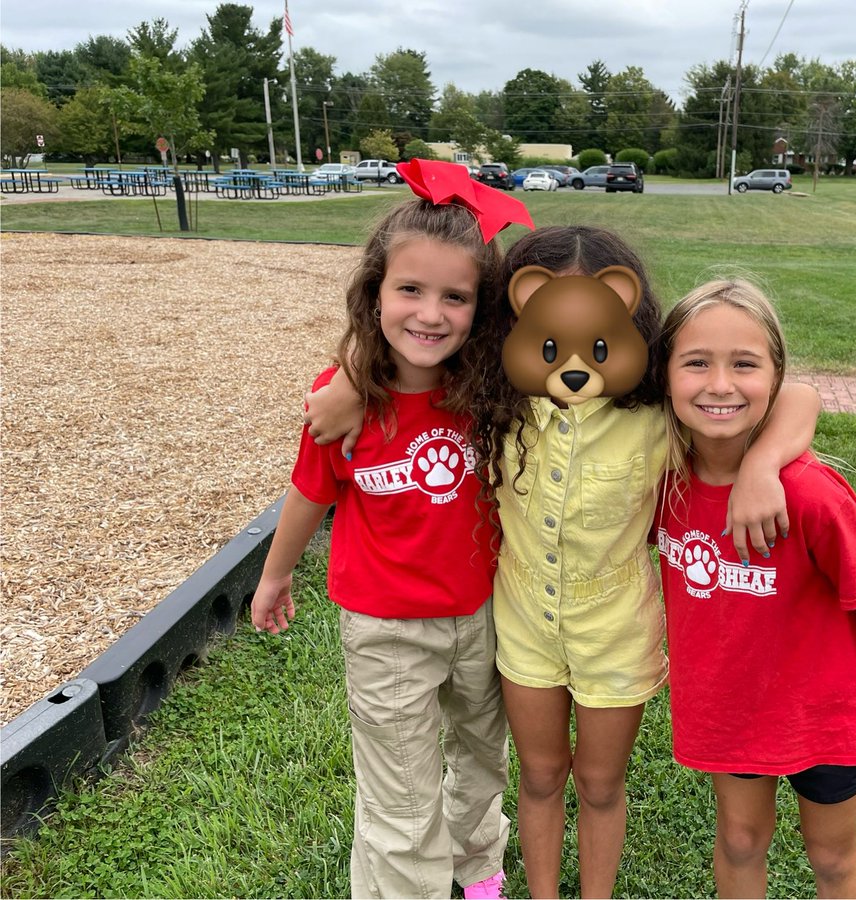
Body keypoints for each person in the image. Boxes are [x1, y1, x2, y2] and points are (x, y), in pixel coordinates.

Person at [305, 226, 822, 899]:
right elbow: (409, 349)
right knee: (541, 776)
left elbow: (798, 396)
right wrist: (354, 376)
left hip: (616, 634)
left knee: (601, 785)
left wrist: (759, 464)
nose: (573, 363)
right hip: (524, 629)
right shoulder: (491, 400)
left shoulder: (659, 416)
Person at [252, 166, 529, 900]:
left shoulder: (492, 384)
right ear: (373, 292)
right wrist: (276, 574)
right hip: (386, 629)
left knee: (481, 761)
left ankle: (478, 874)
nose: (430, 314)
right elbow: (311, 490)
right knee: (402, 796)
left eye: (455, 296)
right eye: (409, 290)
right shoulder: (343, 401)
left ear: (483, 308)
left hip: (485, 616)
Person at [653, 278, 856, 899]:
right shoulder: (657, 480)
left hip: (824, 714)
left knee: (833, 856)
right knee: (739, 841)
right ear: (663, 375)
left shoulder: (811, 494)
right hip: (728, 707)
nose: (719, 385)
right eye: (696, 363)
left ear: (775, 375)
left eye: (744, 364)